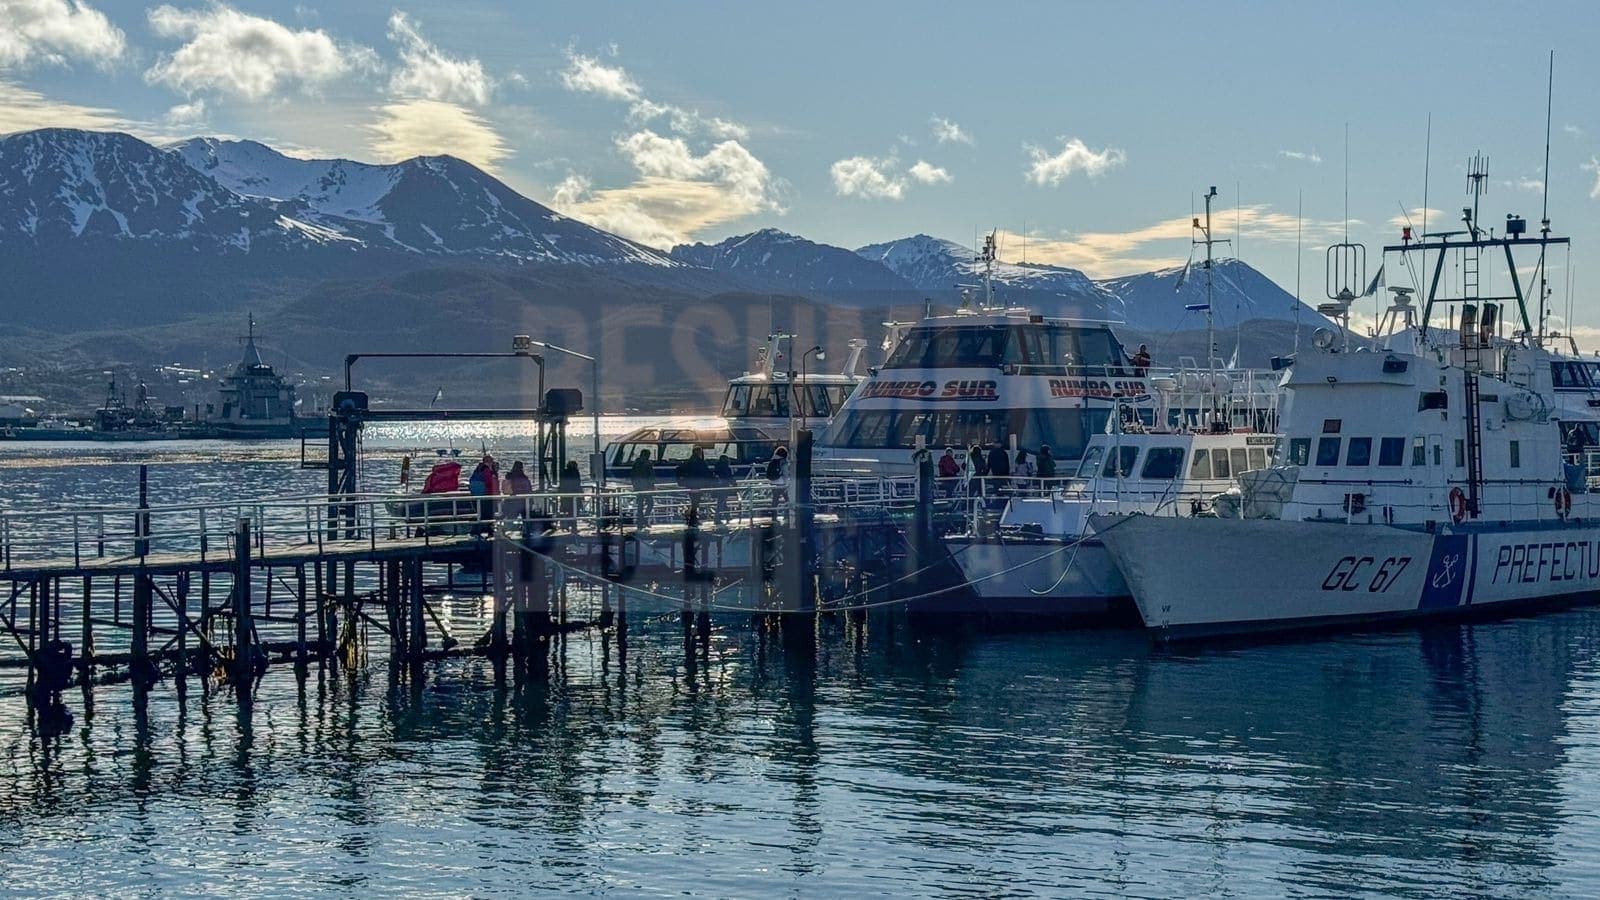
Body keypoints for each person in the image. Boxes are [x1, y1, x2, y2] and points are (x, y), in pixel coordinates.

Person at [676, 445, 713, 521]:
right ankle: (692, 517)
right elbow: (706, 472)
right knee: (696, 501)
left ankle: (690, 515)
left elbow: (679, 470)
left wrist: (682, 481)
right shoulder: (700, 462)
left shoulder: (688, 462)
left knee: (694, 501)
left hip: (689, 484)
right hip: (697, 484)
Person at [629, 449, 655, 523]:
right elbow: (651, 477)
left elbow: (632, 476)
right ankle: (645, 519)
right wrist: (651, 486)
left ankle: (640, 521)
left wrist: (635, 485)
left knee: (640, 505)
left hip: (638, 487)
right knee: (650, 503)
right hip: (646, 487)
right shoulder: (648, 464)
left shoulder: (635, 463)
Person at [558, 459, 583, 532]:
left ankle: (566, 525)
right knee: (574, 512)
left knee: (567, 511)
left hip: (566, 496)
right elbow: (578, 484)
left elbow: (562, 484)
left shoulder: (564, 472)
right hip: (574, 495)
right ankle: (573, 527)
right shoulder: (576, 472)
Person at [766, 446, 789, 518]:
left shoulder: (773, 460)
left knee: (775, 500)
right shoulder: (783, 461)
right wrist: (787, 483)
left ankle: (774, 516)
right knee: (787, 499)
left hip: (773, 483)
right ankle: (787, 515)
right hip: (782, 483)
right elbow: (785, 473)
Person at [713, 452, 736, 525]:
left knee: (722, 502)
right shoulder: (726, 468)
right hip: (724, 487)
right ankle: (717, 518)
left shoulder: (716, 467)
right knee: (721, 502)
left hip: (717, 487)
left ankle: (727, 516)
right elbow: (729, 478)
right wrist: (734, 484)